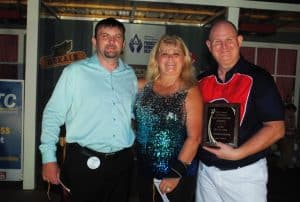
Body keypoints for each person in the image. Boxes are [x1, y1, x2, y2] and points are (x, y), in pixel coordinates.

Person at [39, 17, 138, 202]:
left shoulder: (129, 75)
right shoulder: (74, 72)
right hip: (83, 162)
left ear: (123, 44)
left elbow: (130, 114)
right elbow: (52, 115)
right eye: (105, 36)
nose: (111, 41)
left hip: (122, 164)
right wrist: (48, 158)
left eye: (117, 37)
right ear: (94, 41)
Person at [196, 20, 285, 202]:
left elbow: (276, 128)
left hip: (244, 174)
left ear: (239, 40)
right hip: (206, 172)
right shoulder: (201, 80)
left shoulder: (259, 78)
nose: (224, 47)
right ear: (209, 46)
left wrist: (238, 153)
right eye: (217, 42)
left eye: (229, 40)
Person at [134, 35, 203, 202]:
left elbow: (195, 138)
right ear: (156, 58)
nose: (170, 58)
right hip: (144, 172)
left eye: (176, 53)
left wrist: (175, 173)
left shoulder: (190, 91)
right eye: (165, 53)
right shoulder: (141, 85)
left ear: (184, 59)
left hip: (176, 175)